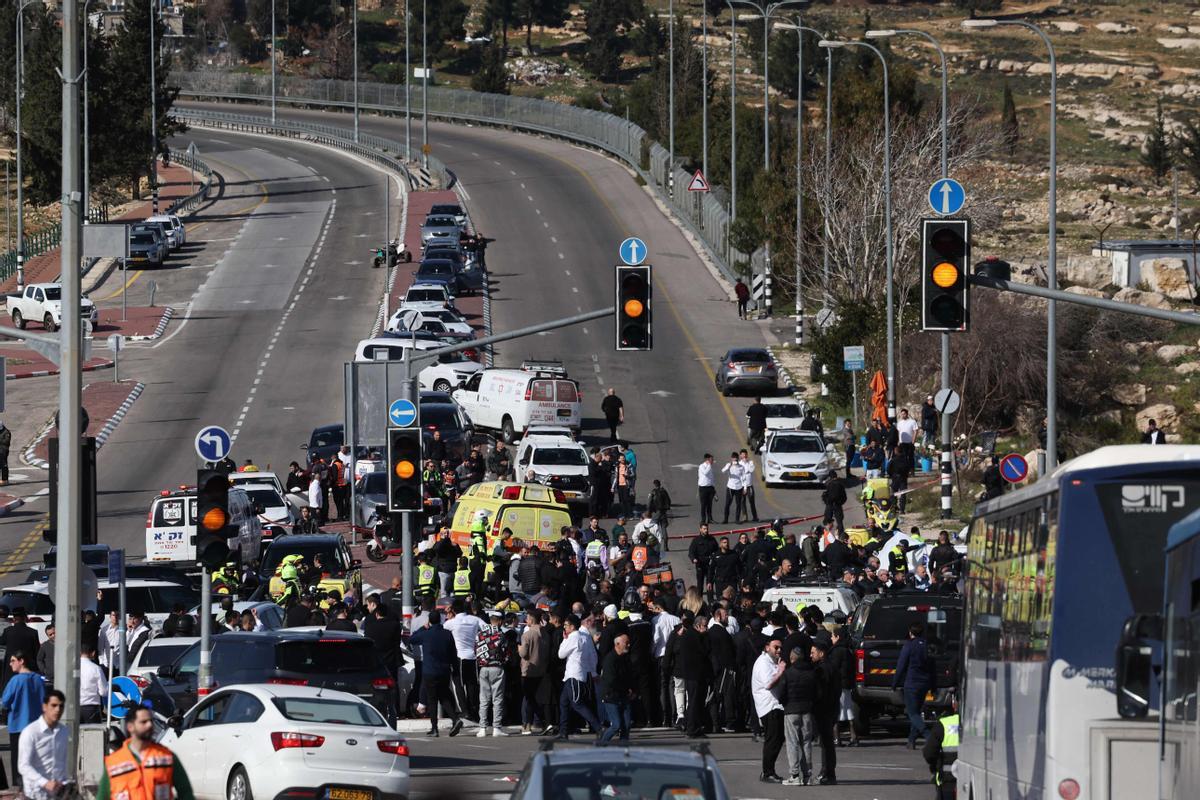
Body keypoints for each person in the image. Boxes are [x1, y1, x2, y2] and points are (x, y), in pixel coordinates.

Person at [98, 705, 196, 800]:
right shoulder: (113, 763)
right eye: (143, 722)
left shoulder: (167, 757)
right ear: (130, 727)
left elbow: (186, 793)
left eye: (151, 721)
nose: (149, 725)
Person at [410, 611, 464, 737]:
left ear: (429, 621)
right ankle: (455, 719)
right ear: (440, 620)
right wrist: (454, 670)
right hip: (444, 671)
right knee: (443, 696)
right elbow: (453, 654)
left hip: (430, 671)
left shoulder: (426, 634)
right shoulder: (447, 634)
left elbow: (412, 639)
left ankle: (434, 728)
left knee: (432, 699)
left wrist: (423, 627)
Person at [1, 652, 46, 790]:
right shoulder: (39, 679)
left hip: (18, 725)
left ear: (21, 661)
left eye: (13, 660)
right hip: (36, 725)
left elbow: (5, 701)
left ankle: (21, 788)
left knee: (19, 760)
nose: (10, 664)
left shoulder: (15, 681)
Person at [556, 614, 602, 740]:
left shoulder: (573, 637)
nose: (564, 628)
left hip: (574, 675)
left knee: (577, 703)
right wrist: (592, 672)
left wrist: (564, 639)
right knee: (564, 702)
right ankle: (563, 731)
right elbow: (592, 656)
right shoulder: (585, 637)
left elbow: (561, 654)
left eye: (565, 625)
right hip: (577, 674)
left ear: (572, 626)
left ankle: (598, 727)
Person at [17, 689, 67, 800]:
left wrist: (64, 782)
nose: (58, 710)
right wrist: (45, 782)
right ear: (44, 707)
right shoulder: (31, 732)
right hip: (35, 793)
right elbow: (23, 765)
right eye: (53, 705)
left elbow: (62, 762)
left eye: (61, 706)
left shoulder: (63, 731)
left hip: (57, 793)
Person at [894, 622, 937, 750]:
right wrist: (934, 686)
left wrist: (895, 683)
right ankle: (911, 740)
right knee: (917, 711)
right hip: (924, 684)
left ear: (910, 632)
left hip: (912, 683)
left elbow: (901, 665)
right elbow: (933, 668)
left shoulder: (909, 646)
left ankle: (928, 736)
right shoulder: (928, 647)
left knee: (912, 713)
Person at [752, 635, 787, 783]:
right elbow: (768, 684)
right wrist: (780, 671)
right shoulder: (762, 663)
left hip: (776, 705)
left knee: (778, 738)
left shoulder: (773, 661)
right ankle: (767, 772)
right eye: (776, 647)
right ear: (767, 647)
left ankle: (770, 770)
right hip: (769, 706)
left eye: (780, 647)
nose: (779, 650)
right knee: (773, 739)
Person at [781, 646, 817, 786]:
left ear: (792, 659)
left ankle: (794, 775)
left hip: (791, 710)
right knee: (806, 742)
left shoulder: (788, 673)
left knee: (792, 742)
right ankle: (807, 775)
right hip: (807, 709)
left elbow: (782, 693)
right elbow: (816, 692)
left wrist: (784, 703)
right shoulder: (811, 673)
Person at [445, 600, 484, 723]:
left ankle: (465, 711)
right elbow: (487, 627)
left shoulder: (451, 622)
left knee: (459, 685)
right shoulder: (474, 620)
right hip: (473, 656)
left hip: (459, 657)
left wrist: (447, 615)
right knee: (472, 685)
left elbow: (439, 626)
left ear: (453, 610)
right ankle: (474, 710)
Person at [811, 637, 839, 785]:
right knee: (827, 743)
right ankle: (829, 773)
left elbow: (822, 691)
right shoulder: (832, 666)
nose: (811, 655)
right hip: (832, 709)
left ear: (821, 653)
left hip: (824, 710)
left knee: (826, 743)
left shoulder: (822, 669)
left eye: (813, 652)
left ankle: (827, 773)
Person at [598, 632, 634, 743]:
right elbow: (611, 680)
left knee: (627, 725)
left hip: (623, 695)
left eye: (628, 643)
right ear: (617, 644)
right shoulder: (610, 660)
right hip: (611, 696)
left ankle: (624, 750)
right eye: (626, 643)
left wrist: (633, 688)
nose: (628, 645)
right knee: (616, 725)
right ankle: (601, 745)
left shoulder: (625, 658)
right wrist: (626, 689)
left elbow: (630, 675)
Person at [923, 696, 960, 799]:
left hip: (949, 780)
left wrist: (934, 766)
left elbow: (929, 753)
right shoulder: (981, 723)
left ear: (954, 704)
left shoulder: (944, 724)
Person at [79, 641, 107, 723]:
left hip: (74, 708)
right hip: (91, 708)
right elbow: (103, 692)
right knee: (93, 734)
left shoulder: (72, 668)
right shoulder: (96, 668)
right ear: (93, 653)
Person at [688, 525, 718, 597]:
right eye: (704, 529)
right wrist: (693, 559)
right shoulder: (696, 540)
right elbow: (691, 552)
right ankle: (699, 600)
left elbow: (717, 550)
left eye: (707, 529)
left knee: (710, 583)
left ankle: (710, 600)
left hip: (710, 564)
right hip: (700, 564)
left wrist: (715, 558)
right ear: (700, 529)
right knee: (700, 584)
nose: (706, 530)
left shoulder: (712, 539)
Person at [646, 479, 672, 550]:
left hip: (656, 513)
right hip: (663, 513)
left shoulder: (653, 492)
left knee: (651, 528)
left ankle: (652, 544)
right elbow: (669, 501)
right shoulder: (664, 491)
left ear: (654, 484)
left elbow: (649, 503)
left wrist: (649, 511)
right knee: (664, 529)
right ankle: (666, 546)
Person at [721, 452, 746, 524]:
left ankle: (737, 519)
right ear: (731, 459)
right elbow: (722, 471)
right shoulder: (728, 465)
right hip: (730, 487)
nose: (735, 461)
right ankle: (725, 519)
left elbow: (744, 478)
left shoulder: (741, 467)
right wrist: (730, 465)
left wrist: (745, 488)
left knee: (738, 504)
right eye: (733, 459)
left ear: (738, 459)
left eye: (736, 459)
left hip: (739, 487)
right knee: (727, 504)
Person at [739, 449, 759, 522]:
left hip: (749, 486)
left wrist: (747, 463)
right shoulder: (739, 464)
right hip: (741, 486)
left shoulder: (750, 462)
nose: (744, 456)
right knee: (742, 502)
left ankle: (755, 517)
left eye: (745, 454)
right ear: (740, 455)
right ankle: (744, 516)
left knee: (752, 501)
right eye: (743, 454)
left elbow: (751, 470)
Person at [697, 454, 716, 525]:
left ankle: (710, 519)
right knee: (703, 505)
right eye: (712, 459)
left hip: (710, 487)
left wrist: (714, 488)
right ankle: (703, 519)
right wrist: (709, 465)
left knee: (709, 504)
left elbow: (712, 478)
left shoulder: (710, 467)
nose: (713, 461)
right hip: (703, 488)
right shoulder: (701, 466)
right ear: (707, 460)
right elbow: (705, 473)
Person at [0, 420, 11, 485]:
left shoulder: (6, 432)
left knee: (4, 465)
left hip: (3, 450)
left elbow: (6, 442)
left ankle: (5, 479)